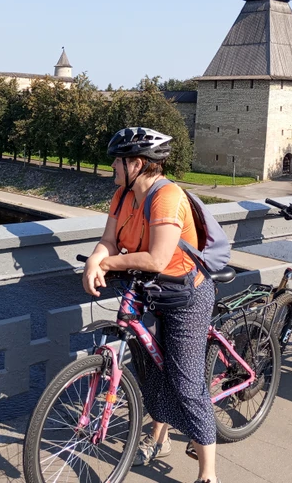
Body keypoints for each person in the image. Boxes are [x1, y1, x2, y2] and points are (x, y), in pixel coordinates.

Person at [82, 127, 220, 483]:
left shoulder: (167, 197)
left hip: (185, 294)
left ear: (137, 164)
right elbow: (108, 241)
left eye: (118, 159)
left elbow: (158, 258)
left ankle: (208, 472)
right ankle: (159, 439)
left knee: (186, 382)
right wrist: (94, 261)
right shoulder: (122, 196)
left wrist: (107, 264)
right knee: (153, 373)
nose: (112, 164)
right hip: (149, 289)